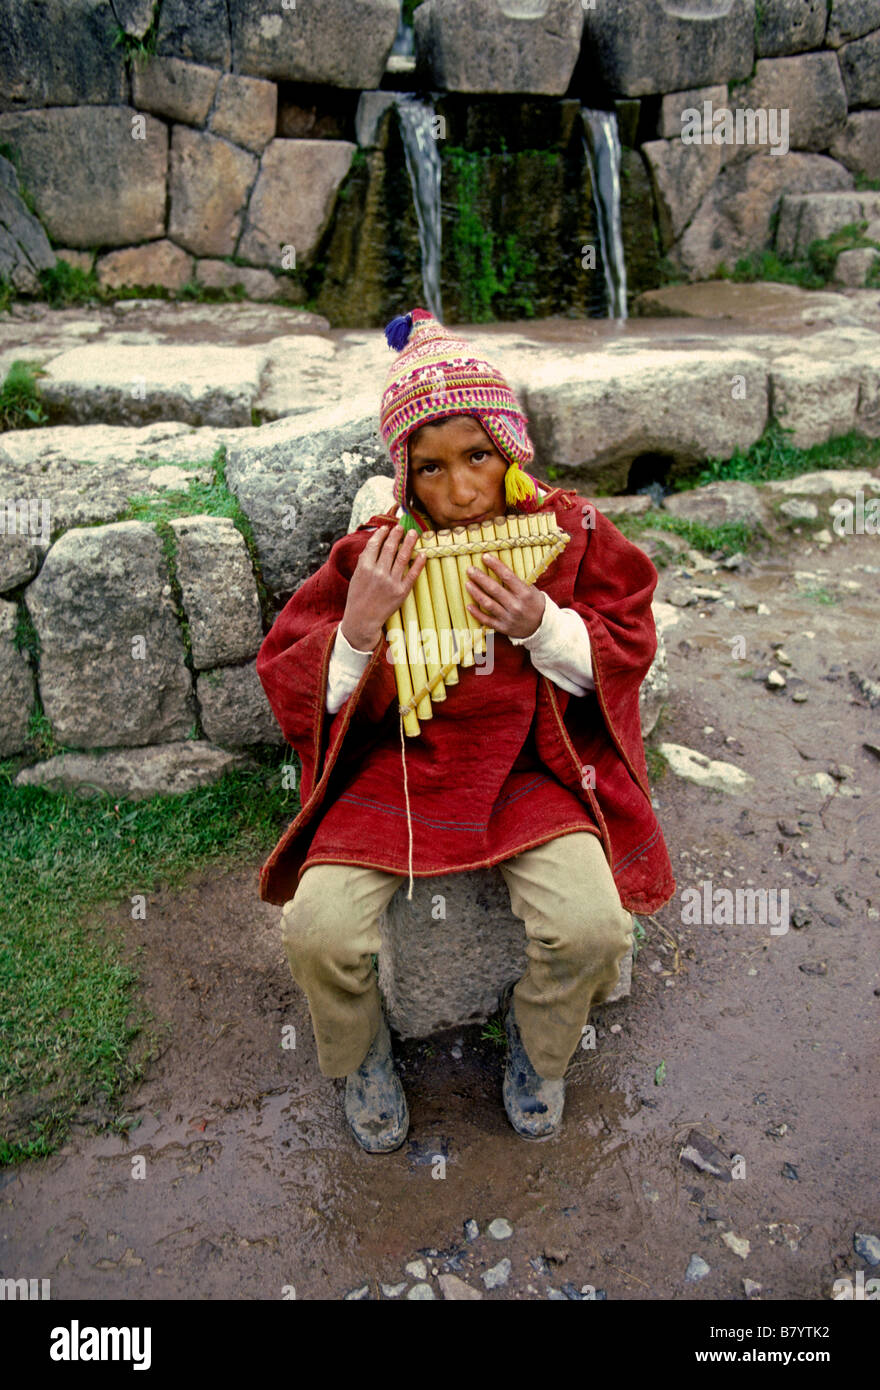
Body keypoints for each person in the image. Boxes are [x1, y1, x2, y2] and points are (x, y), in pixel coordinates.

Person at [256, 308, 676, 1153]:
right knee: (316, 929)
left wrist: (544, 626)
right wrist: (360, 632)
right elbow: (287, 674)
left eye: (478, 457)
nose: (457, 493)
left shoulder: (570, 534)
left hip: (528, 775)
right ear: (404, 478)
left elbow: (628, 642)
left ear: (511, 451)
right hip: (395, 775)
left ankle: (540, 1044)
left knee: (595, 927)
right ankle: (361, 1054)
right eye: (431, 468)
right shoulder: (374, 556)